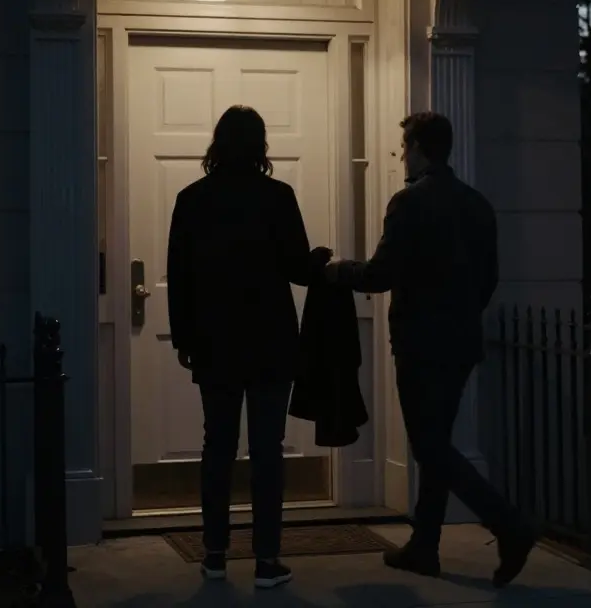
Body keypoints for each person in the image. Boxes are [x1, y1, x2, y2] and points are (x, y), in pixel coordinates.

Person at [325, 111, 538, 588]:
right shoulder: (477, 205)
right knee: (435, 444)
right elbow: (489, 280)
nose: (402, 154)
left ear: (420, 147)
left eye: (405, 146)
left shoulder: (408, 203)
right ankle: (424, 546)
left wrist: (339, 271)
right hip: (461, 342)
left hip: (420, 343)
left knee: (430, 447)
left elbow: (380, 275)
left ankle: (509, 524)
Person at [166, 105, 330, 590]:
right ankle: (266, 560)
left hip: (215, 342)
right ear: (261, 145)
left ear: (217, 144)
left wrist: (184, 337)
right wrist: (320, 259)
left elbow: (179, 276)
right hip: (269, 342)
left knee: (217, 447)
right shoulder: (277, 197)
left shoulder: (192, 199)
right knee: (266, 452)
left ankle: (214, 553)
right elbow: (299, 268)